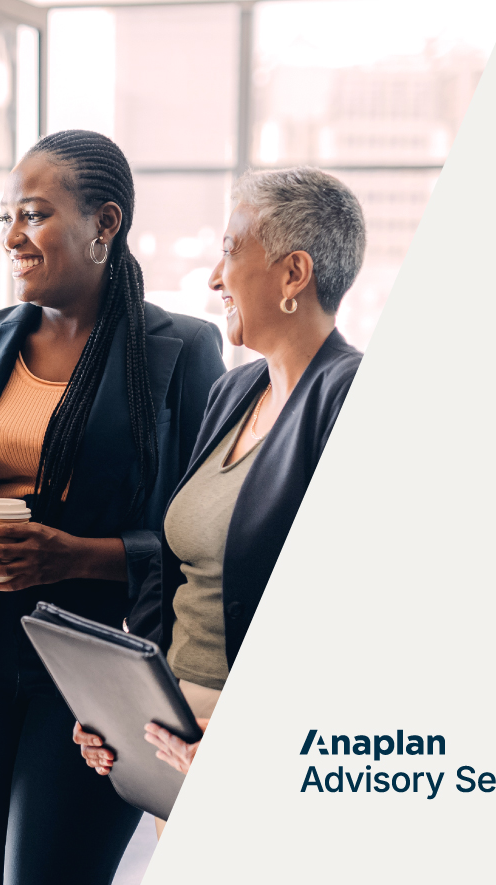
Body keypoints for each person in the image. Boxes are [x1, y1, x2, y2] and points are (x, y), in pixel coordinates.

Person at [0, 130, 226, 885]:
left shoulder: (182, 348)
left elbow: (200, 543)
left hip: (96, 678)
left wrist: (72, 555)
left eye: (34, 214)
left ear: (104, 224)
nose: (12, 237)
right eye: (5, 217)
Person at [75, 167, 367, 800]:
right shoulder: (235, 391)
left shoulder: (348, 396)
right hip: (175, 733)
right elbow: (179, 565)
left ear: (294, 275)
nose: (214, 278)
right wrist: (127, 706)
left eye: (230, 252)